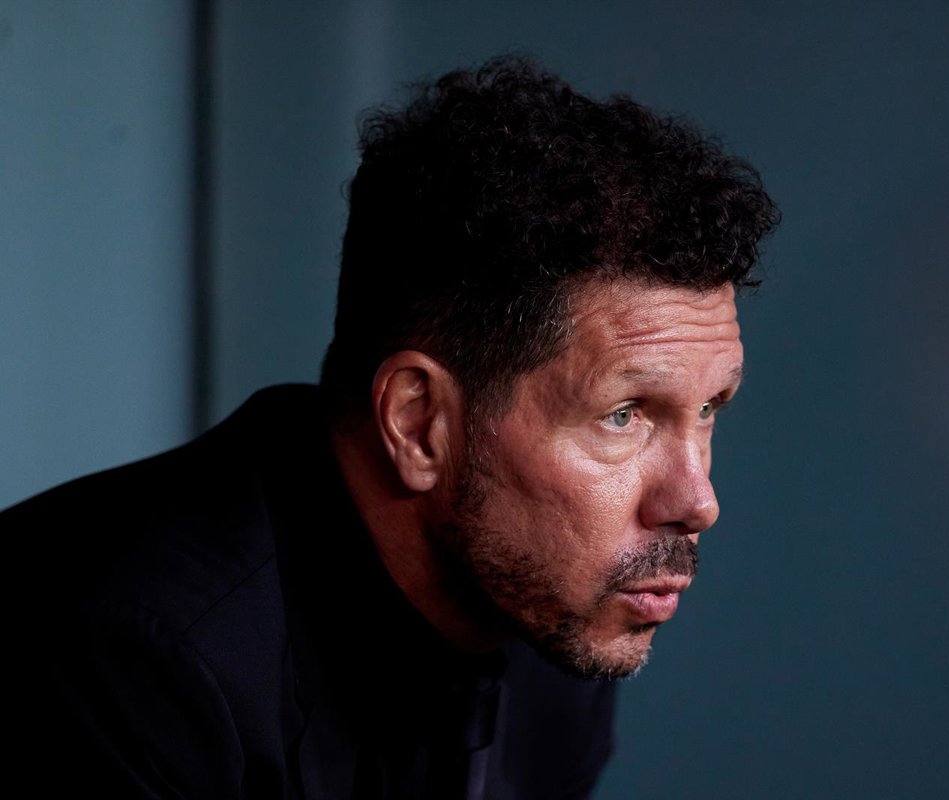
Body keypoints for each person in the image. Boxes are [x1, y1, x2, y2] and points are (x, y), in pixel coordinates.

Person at [3, 56, 778, 798]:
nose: (697, 501)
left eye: (709, 408)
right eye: (623, 415)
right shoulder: (128, 661)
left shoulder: (555, 616)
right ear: (418, 422)